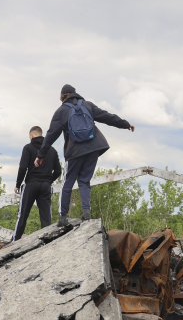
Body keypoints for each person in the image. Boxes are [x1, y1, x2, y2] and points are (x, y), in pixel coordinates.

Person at [35, 84, 134, 225]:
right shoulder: (88, 105)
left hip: (74, 150)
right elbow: (107, 117)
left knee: (67, 182)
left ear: (62, 97)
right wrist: (126, 124)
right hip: (94, 147)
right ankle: (86, 211)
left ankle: (63, 217)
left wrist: (40, 155)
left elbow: (51, 135)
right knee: (84, 181)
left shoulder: (61, 111)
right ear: (75, 94)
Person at [14, 125, 61, 240]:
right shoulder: (52, 150)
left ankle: (15, 240)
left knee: (23, 215)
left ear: (31, 136)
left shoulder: (28, 148)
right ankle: (48, 241)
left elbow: (23, 168)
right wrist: (48, 180)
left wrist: (18, 184)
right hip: (45, 186)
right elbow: (58, 171)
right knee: (46, 217)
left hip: (31, 184)